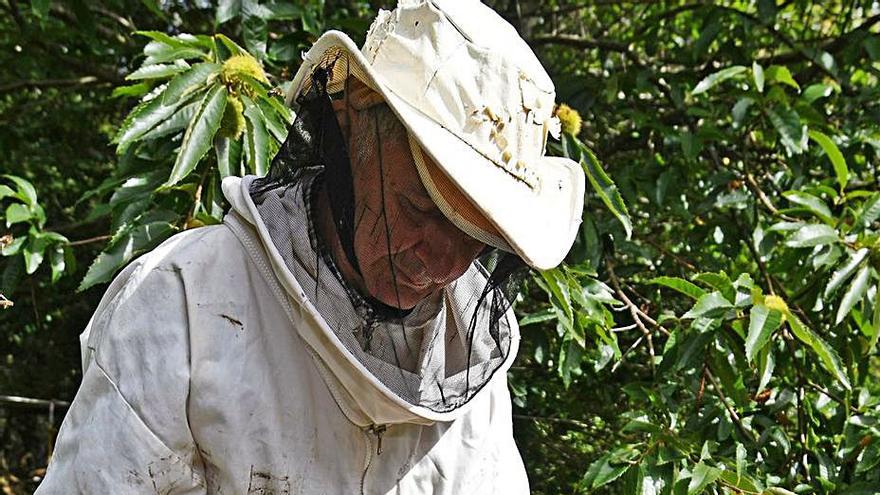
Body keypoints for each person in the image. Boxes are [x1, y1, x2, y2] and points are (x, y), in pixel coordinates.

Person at [36, 0, 585, 493]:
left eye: (476, 238)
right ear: (354, 114)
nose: (444, 266)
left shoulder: (465, 371)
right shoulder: (183, 302)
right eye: (421, 209)